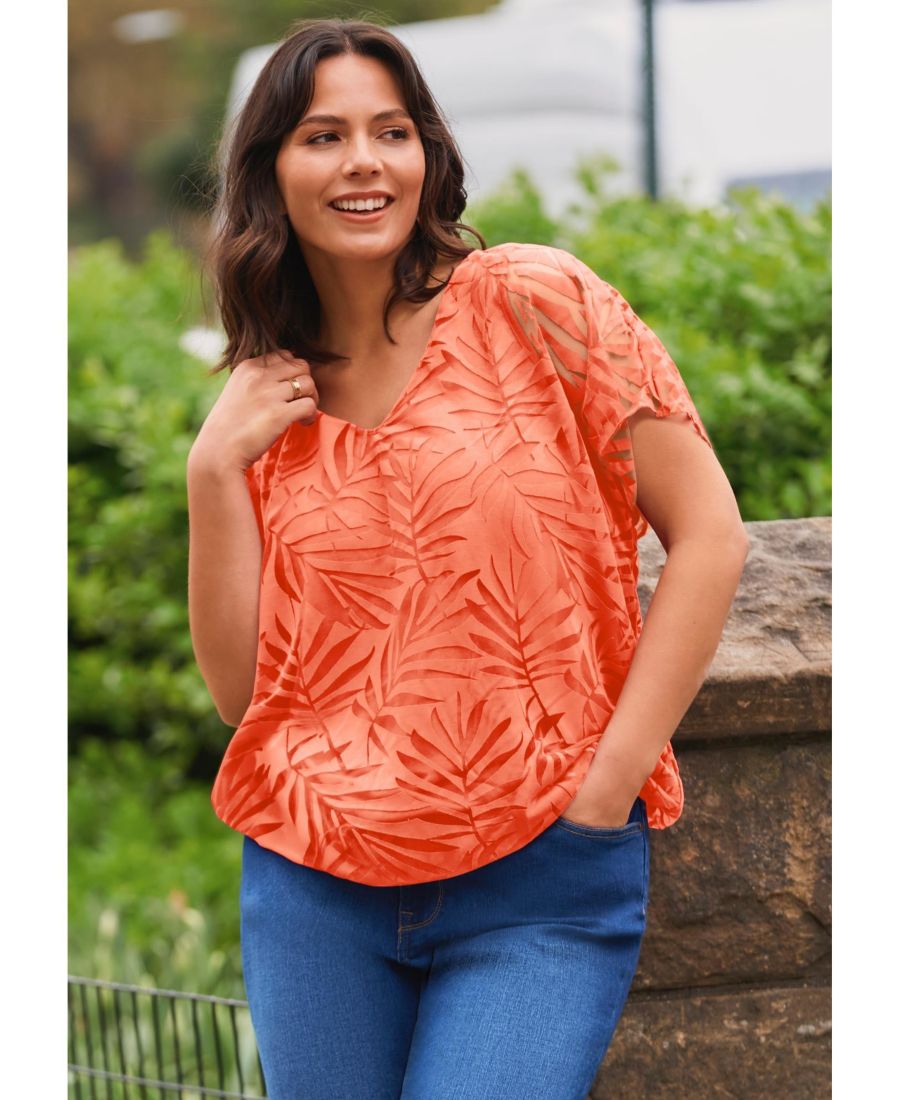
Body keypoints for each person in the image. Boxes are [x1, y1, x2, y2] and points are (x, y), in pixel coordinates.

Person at [186, 17, 749, 1100]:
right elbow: (242, 694)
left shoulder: (534, 301)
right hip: (315, 882)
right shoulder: (264, 400)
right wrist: (213, 471)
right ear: (270, 174)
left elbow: (710, 535)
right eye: (323, 136)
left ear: (427, 155)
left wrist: (607, 789)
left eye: (390, 131)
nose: (363, 161)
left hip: (541, 878)